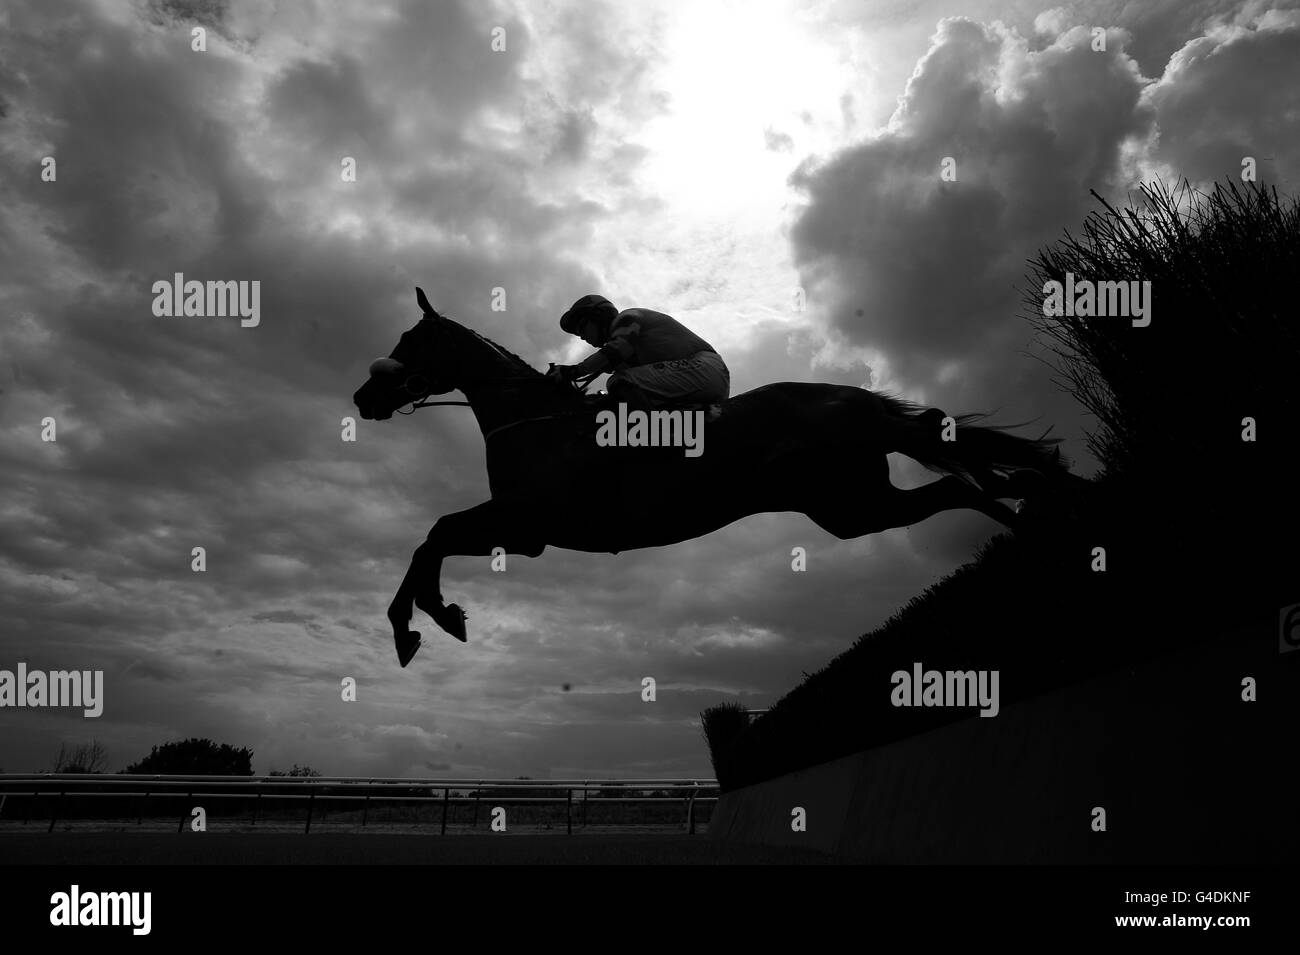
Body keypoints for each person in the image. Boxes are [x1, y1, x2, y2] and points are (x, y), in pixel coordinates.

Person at [546, 294, 730, 410]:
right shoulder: (623, 355)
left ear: (598, 316)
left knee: (620, 382)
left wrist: (572, 371)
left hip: (706, 368)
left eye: (582, 328)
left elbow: (614, 352)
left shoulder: (627, 318)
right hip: (702, 379)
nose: (581, 337)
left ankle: (657, 436)